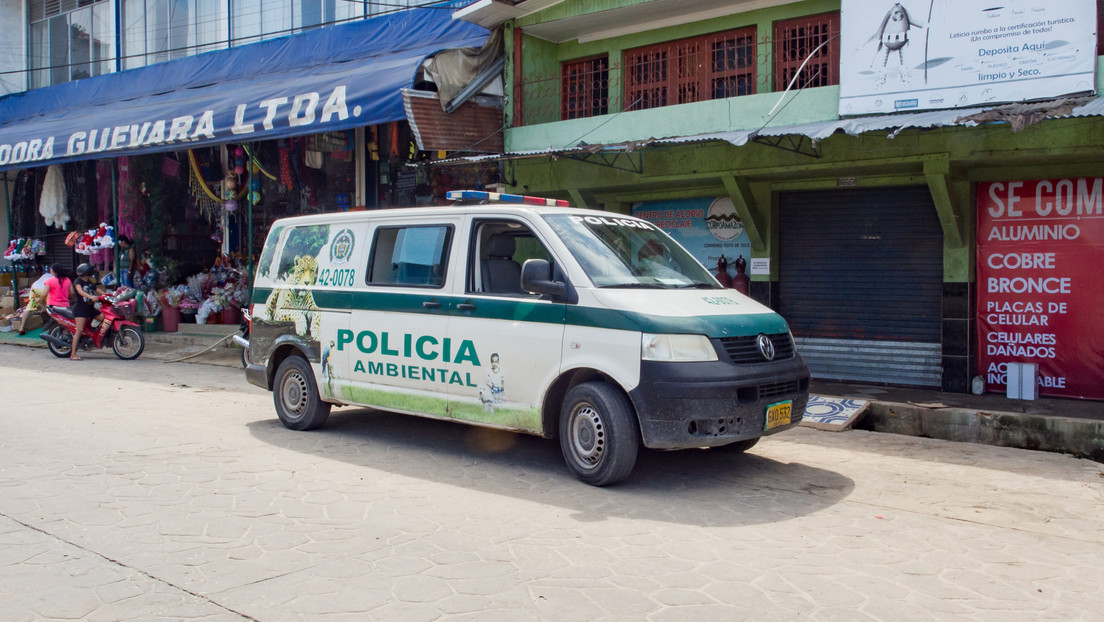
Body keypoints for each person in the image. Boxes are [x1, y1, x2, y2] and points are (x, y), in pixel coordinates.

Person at [69, 263, 104, 361]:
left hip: (90, 308)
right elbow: (80, 292)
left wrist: (108, 296)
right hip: (81, 309)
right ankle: (73, 354)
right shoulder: (78, 281)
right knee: (79, 330)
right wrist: (90, 297)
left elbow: (98, 289)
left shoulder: (88, 281)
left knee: (103, 318)